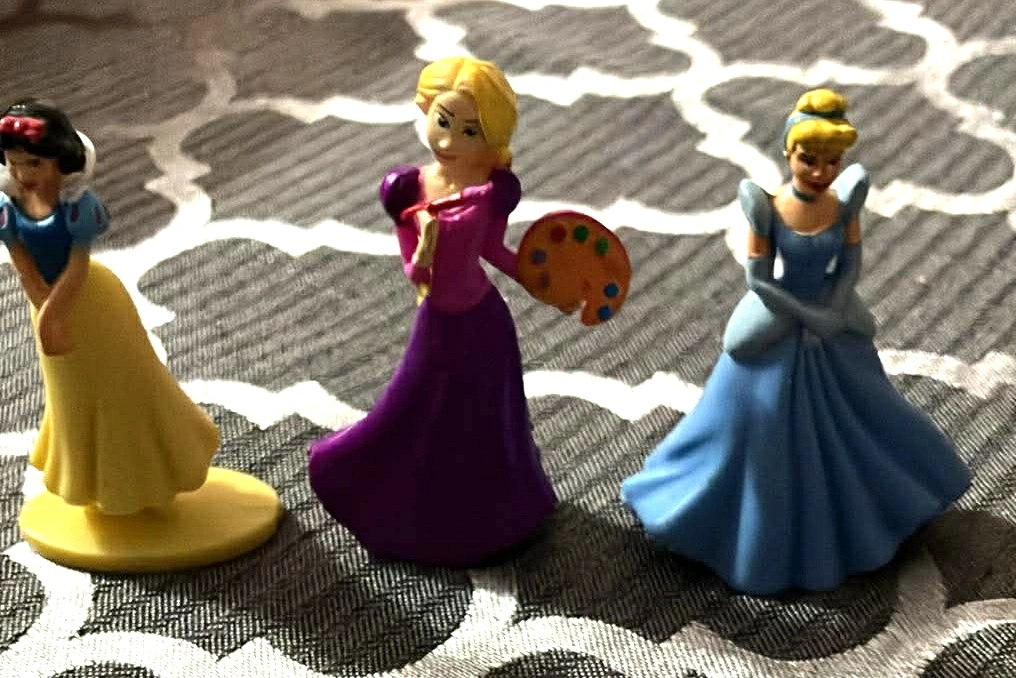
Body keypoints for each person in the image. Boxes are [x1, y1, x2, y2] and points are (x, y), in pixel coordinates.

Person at [620, 89, 971, 595]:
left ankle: (876, 504)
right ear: (789, 153)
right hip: (779, 310)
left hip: (832, 312)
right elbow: (759, 280)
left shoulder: (842, 204)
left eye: (832, 161)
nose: (821, 171)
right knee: (754, 412)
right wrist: (808, 316)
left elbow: (849, 265)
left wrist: (834, 309)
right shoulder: (769, 208)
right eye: (809, 159)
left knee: (868, 402)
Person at [308, 57, 558, 567]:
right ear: (427, 111)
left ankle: (497, 513)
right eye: (443, 121)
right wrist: (424, 247)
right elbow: (414, 273)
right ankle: (379, 494)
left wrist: (542, 282)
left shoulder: (494, 189)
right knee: (409, 408)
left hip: (484, 320)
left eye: (470, 131)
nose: (449, 139)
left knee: (487, 422)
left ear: (489, 137)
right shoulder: (409, 190)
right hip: (438, 319)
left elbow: (494, 251)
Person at [0, 99, 221, 517]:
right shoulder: (7, 209)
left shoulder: (78, 208)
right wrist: (45, 312)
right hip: (44, 303)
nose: (23, 174)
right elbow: (22, 265)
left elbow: (77, 266)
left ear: (61, 160)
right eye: (14, 163)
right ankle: (90, 480)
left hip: (92, 302)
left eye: (34, 163)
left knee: (126, 386)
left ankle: (147, 473)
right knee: (71, 396)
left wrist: (53, 313)